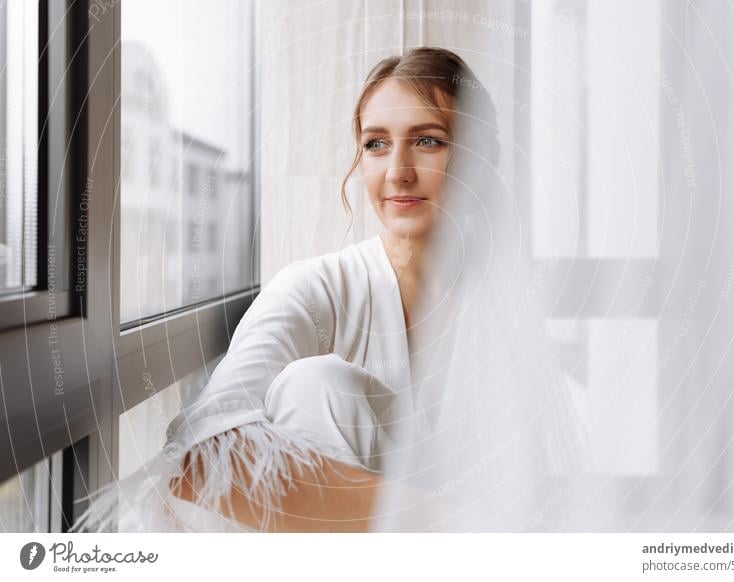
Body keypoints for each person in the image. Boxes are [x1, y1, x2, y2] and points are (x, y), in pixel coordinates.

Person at [71, 46, 589, 533]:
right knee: (317, 386)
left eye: (428, 140)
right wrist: (451, 523)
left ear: (477, 160)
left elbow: (535, 489)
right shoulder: (313, 289)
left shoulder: (500, 309)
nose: (398, 172)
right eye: (376, 144)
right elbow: (199, 464)